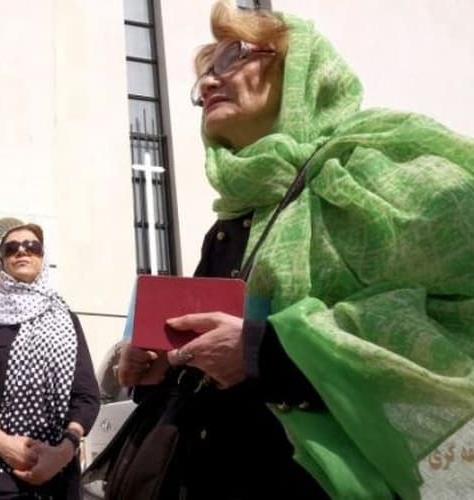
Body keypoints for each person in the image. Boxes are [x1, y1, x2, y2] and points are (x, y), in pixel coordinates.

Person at [113, 1, 474, 499]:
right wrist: (165, 366)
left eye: (230, 58)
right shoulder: (235, 215)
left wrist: (266, 352)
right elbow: (220, 366)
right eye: (202, 80)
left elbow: (453, 321)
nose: (210, 84)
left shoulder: (373, 171)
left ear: (299, 69)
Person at [0, 223, 100, 499]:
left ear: (43, 258)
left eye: (32, 246)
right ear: (1, 260)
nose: (22, 252)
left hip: (57, 473)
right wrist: (4, 445)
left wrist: (64, 450)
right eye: (11, 248)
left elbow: (86, 396)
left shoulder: (66, 320)